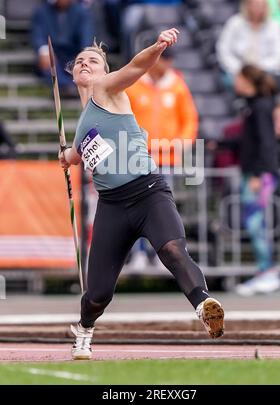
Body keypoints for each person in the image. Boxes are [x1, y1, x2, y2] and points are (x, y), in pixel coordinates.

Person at [58, 28, 225, 360]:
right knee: (98, 294)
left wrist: (158, 47)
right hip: (113, 207)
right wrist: (66, 156)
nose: (85, 63)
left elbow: (136, 66)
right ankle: (85, 329)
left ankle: (204, 304)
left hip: (148, 192)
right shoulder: (82, 123)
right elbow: (77, 153)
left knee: (173, 249)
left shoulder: (107, 89)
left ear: (105, 71)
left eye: (93, 59)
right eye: (79, 61)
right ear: (72, 73)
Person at [126, 45, 198, 269]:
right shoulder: (135, 84)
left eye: (168, 59)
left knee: (162, 210)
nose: (166, 64)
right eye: (162, 59)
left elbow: (189, 119)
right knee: (137, 207)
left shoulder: (176, 86)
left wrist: (180, 144)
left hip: (167, 159)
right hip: (138, 156)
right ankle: (138, 253)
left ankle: (160, 254)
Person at [234, 65, 280, 296]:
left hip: (260, 174)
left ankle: (268, 272)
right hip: (255, 171)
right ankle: (265, 270)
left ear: (247, 80)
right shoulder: (252, 106)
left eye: (238, 78)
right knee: (255, 222)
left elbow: (266, 143)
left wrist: (257, 174)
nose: (235, 82)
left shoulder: (261, 106)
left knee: (256, 223)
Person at [31, 0, 94, 97]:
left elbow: (86, 38)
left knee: (87, 60)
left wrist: (82, 56)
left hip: (74, 54)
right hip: (53, 53)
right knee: (46, 59)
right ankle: (67, 87)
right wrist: (44, 51)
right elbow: (38, 34)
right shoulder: (42, 12)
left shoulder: (82, 12)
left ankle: (68, 88)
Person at [216, 0, 280, 83]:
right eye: (255, 4)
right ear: (247, 5)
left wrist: (259, 70)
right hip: (238, 72)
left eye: (261, 4)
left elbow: (279, 55)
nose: (258, 7)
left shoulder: (274, 26)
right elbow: (223, 50)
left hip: (266, 72)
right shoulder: (234, 23)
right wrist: (240, 69)